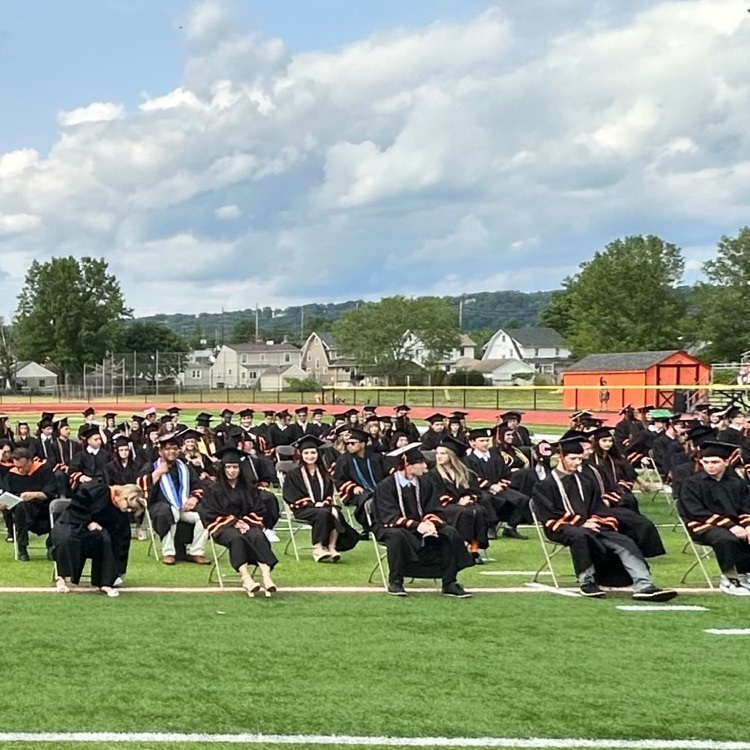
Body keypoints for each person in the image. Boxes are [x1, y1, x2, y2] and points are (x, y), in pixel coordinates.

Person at [532, 435, 676, 600]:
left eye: (580, 458)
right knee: (581, 535)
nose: (578, 462)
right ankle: (587, 581)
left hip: (593, 525)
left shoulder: (585, 481)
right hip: (561, 528)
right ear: (560, 457)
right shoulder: (544, 485)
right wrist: (582, 522)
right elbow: (549, 515)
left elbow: (598, 507)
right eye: (572, 458)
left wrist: (597, 521)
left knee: (624, 541)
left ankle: (644, 585)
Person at [372, 443, 474, 597]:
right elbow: (388, 515)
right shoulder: (385, 486)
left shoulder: (425, 483)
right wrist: (416, 526)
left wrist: (430, 524)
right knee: (397, 535)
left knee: (449, 532)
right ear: (407, 465)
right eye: (420, 463)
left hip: (422, 525)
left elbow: (434, 508)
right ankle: (396, 580)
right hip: (391, 526)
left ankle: (449, 582)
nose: (425, 466)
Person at [199, 447, 278, 596]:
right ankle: (246, 578)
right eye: (228, 467)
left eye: (235, 467)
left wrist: (246, 522)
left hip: (248, 523)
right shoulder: (213, 489)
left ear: (240, 469)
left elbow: (260, 509)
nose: (232, 471)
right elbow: (209, 512)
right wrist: (233, 522)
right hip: (223, 527)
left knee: (257, 536)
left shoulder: (249, 488)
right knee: (236, 538)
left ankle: (266, 577)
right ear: (222, 468)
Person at [678, 441, 750, 596]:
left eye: (715, 462)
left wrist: (748, 526)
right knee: (727, 539)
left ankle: (746, 575)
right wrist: (730, 525)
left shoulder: (737, 483)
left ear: (726, 462)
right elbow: (696, 512)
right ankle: (730, 579)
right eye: (706, 462)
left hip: (736, 525)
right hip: (702, 525)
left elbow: (745, 508)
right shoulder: (691, 483)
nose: (710, 466)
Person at [51, 483, 145, 597]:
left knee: (105, 539)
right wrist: (88, 523)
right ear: (123, 496)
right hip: (71, 524)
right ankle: (61, 578)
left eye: (133, 509)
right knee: (69, 538)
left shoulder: (121, 516)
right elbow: (74, 508)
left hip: (93, 535)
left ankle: (104, 583)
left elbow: (121, 543)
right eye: (129, 506)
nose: (129, 511)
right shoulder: (98, 490)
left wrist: (118, 572)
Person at [283, 436, 360, 562]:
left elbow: (329, 494)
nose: (310, 456)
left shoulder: (324, 473)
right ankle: (317, 548)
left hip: (322, 507)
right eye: (306, 453)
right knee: (324, 513)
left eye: (313, 452)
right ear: (301, 455)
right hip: (303, 509)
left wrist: (323, 503)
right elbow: (290, 495)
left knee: (335, 511)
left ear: (318, 454)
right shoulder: (293, 474)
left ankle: (331, 546)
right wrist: (312, 504)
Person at [138, 434, 210, 566]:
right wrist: (157, 473)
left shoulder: (185, 468)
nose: (171, 452)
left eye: (175, 448)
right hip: (160, 505)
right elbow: (140, 487)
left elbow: (199, 486)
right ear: (160, 451)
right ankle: (169, 552)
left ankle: (196, 551)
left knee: (204, 514)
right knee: (168, 512)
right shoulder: (152, 466)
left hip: (183, 506)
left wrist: (193, 498)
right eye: (167, 449)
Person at [428, 435, 489, 564]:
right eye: (438, 453)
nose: (439, 456)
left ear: (452, 456)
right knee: (462, 512)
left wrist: (469, 498)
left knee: (479, 510)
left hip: (465, 503)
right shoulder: (433, 474)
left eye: (443, 453)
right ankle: (461, 547)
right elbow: (435, 494)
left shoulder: (465, 473)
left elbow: (475, 491)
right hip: (443, 506)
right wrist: (456, 501)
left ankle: (474, 549)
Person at [464, 427, 532, 539]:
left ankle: (511, 527)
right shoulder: (468, 460)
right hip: (480, 490)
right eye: (481, 441)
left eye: (487, 440)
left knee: (523, 499)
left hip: (500, 488)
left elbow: (506, 474)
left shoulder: (496, 457)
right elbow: (472, 479)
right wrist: (490, 486)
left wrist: (501, 485)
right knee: (486, 499)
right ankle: (491, 527)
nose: (485, 443)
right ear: (472, 443)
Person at [1, 448, 58, 561]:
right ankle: (22, 548)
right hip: (22, 510)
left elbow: (52, 492)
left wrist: (36, 494)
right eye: (17, 467)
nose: (20, 470)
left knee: (58, 511)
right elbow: (7, 493)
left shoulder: (44, 470)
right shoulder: (12, 474)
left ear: (30, 461)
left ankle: (51, 545)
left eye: (22, 467)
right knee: (20, 510)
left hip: (43, 508)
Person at [333, 427, 385, 532]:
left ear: (362, 444)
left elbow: (386, 475)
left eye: (353, 443)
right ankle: (369, 527)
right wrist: (353, 487)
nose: (349, 446)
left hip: (378, 490)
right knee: (369, 498)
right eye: (347, 443)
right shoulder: (344, 460)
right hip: (355, 494)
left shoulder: (375, 458)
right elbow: (338, 480)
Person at [68, 425, 110, 491]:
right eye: (96, 439)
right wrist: (82, 477)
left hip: (104, 483)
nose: (99, 441)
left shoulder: (106, 454)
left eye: (100, 439)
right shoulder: (80, 455)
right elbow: (73, 470)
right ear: (88, 441)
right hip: (86, 484)